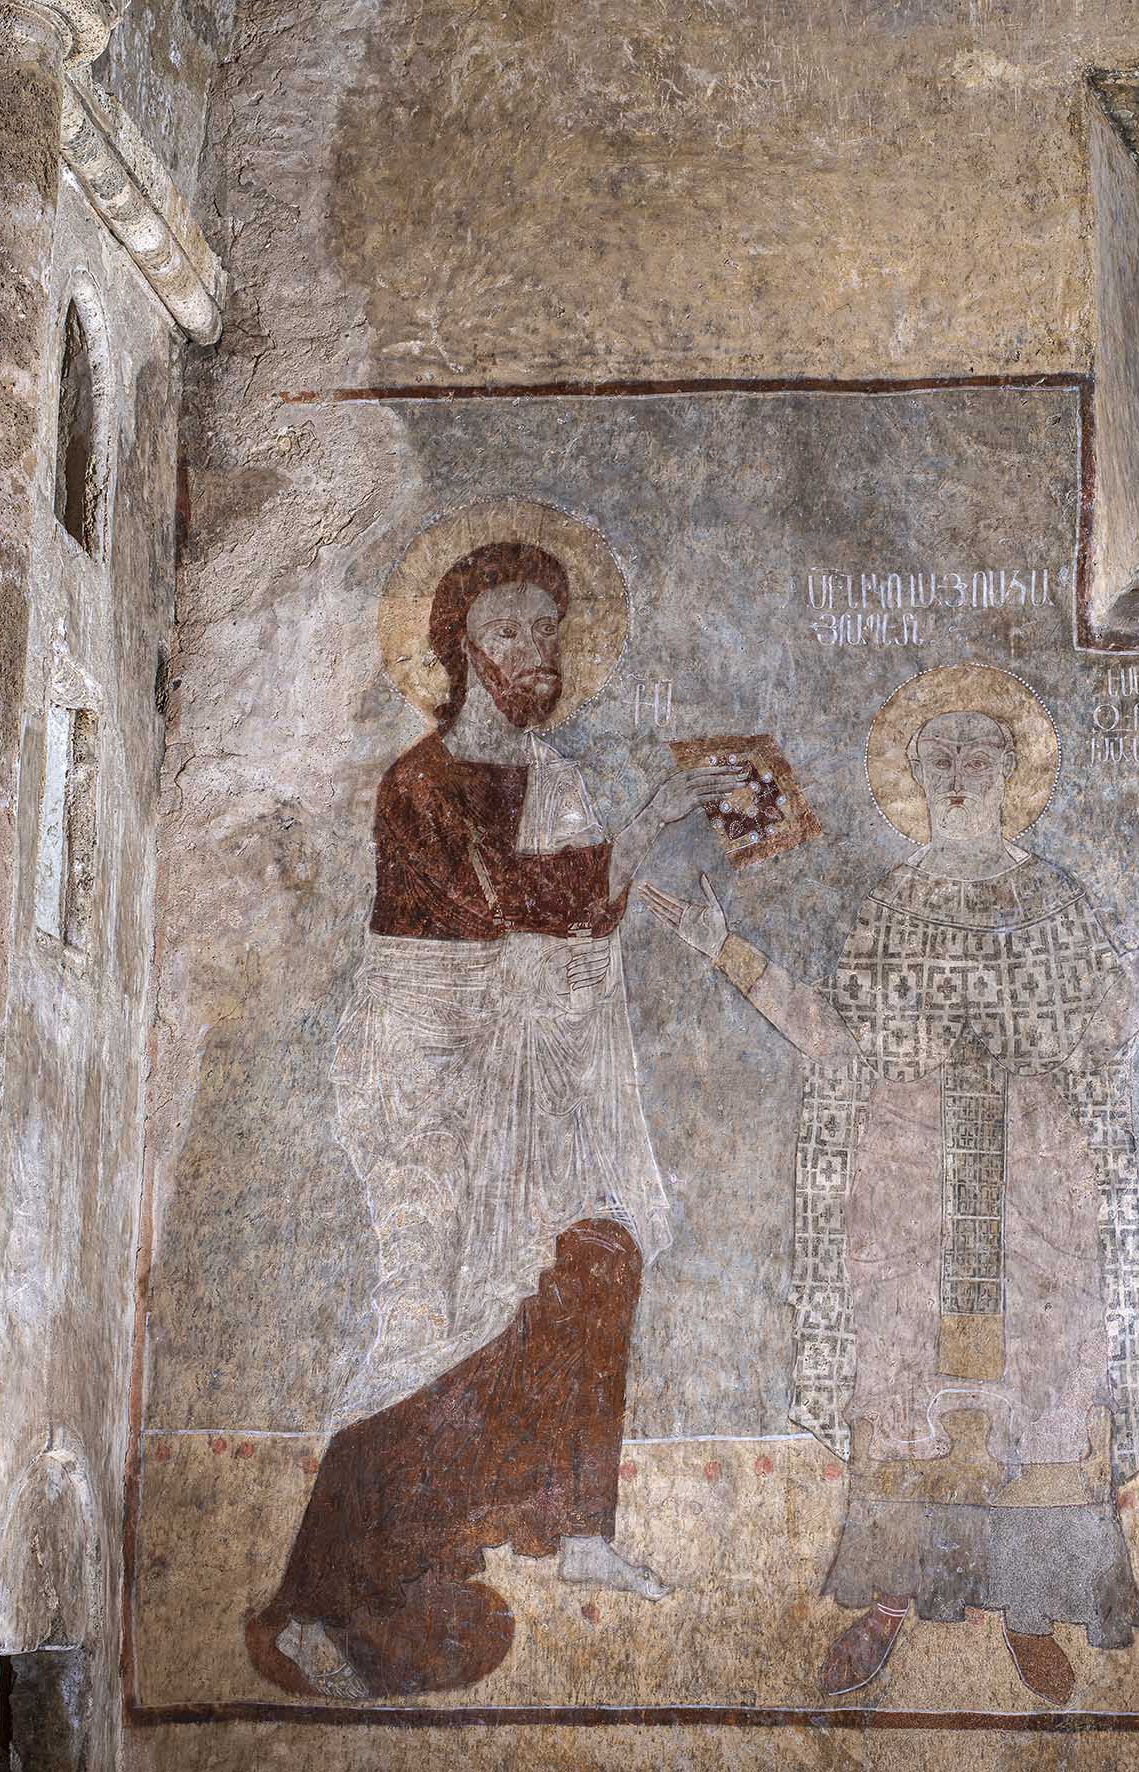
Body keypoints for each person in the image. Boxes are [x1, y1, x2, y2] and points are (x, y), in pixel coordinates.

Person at [643, 665, 1139, 1706]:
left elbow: (1113, 1021)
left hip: (1035, 1179)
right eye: (939, 755)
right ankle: (894, 1594)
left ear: (1016, 771)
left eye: (980, 751)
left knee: (1045, 1383)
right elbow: (836, 1046)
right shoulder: (889, 908)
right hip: (910, 1179)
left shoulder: (1052, 896)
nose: (959, 769)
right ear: (914, 777)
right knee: (902, 1386)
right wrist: (727, 952)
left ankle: (1031, 1601)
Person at [247, 539, 745, 1698]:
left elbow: (574, 939)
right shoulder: (416, 781)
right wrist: (653, 817)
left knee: (599, 1252)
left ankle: (576, 1523)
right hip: (426, 1068)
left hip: (533, 1071)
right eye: (512, 629)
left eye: (548, 631)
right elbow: (504, 901)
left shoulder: (557, 773)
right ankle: (323, 1587)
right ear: (462, 642)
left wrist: (643, 879)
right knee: (437, 1309)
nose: (535, 653)